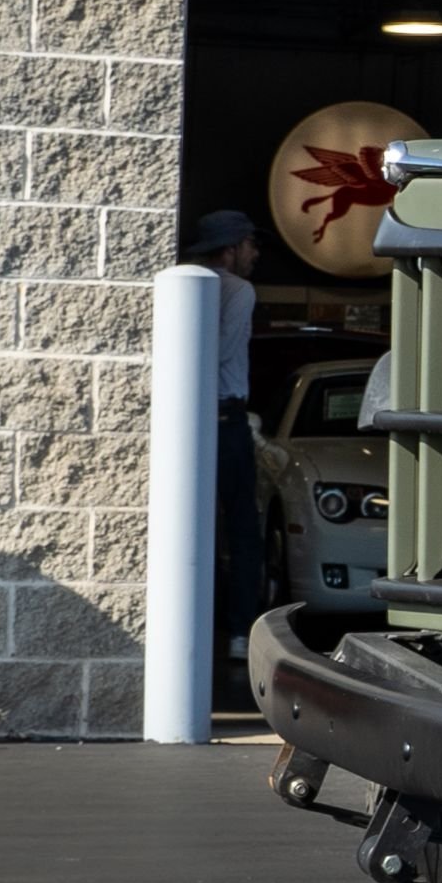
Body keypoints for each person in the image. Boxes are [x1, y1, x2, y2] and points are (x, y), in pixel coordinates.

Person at [188, 208, 267, 667]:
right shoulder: (238, 291)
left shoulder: (189, 284)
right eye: (250, 245)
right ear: (232, 248)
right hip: (227, 417)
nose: (254, 254)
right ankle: (239, 632)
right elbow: (222, 351)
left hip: (193, 418)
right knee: (242, 530)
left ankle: (198, 626)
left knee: (196, 526)